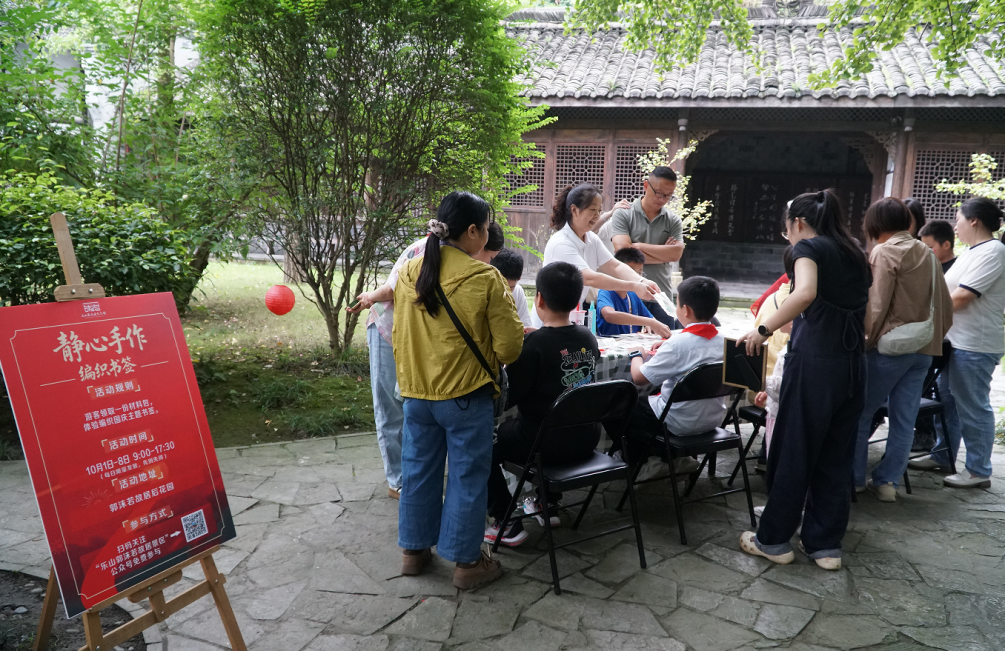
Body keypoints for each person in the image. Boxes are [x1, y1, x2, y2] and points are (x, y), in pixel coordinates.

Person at [391, 191, 524, 589]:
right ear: (472, 232)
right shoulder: (485, 278)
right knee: (467, 476)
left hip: (417, 394)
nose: (486, 233)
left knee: (418, 470)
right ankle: (467, 564)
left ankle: (413, 552)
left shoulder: (409, 272)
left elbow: (400, 334)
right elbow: (510, 348)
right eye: (486, 227)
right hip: (466, 395)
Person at [737, 189, 872, 571]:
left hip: (815, 366)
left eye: (787, 228)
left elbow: (806, 292)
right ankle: (825, 546)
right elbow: (868, 315)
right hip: (853, 366)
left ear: (797, 222)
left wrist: (763, 329)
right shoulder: (855, 252)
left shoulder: (807, 248)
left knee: (794, 452)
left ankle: (774, 540)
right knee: (836, 455)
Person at [348, 223, 507, 499]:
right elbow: (392, 288)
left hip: (417, 337)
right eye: (490, 257)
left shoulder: (465, 261)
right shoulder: (425, 250)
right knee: (390, 408)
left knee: (412, 406)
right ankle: (398, 481)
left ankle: (416, 478)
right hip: (388, 329)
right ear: (475, 236)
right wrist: (370, 297)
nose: (490, 263)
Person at [483, 262, 600, 546]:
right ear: (576, 299)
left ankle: (505, 520)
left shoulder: (533, 345)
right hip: (586, 439)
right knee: (558, 419)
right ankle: (546, 502)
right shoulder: (588, 337)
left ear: (539, 299)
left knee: (480, 447)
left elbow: (508, 398)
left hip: (539, 444)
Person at [851, 198, 953, 502]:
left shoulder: (884, 251)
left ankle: (854, 479)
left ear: (875, 223)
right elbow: (945, 306)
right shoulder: (927, 253)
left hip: (890, 348)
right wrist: (932, 339)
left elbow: (876, 305)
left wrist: (865, 342)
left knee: (860, 413)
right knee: (904, 420)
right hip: (923, 348)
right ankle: (887, 483)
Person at [911, 197, 1005, 489]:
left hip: (975, 344)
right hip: (956, 341)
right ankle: (942, 454)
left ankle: (978, 470)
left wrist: (925, 316)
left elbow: (963, 296)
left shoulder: (993, 251)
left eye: (959, 219)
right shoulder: (972, 252)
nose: (956, 225)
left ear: (974, 221)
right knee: (948, 402)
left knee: (972, 406)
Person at [604, 276, 724, 479]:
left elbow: (639, 378)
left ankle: (640, 462)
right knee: (651, 397)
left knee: (615, 402)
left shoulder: (677, 345)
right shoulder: (725, 341)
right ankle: (673, 458)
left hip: (677, 422)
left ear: (685, 310)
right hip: (712, 419)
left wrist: (636, 354)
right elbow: (696, 343)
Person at [532, 183, 660, 328]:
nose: (597, 215)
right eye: (592, 210)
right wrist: (634, 286)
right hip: (547, 321)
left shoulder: (591, 238)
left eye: (599, 210)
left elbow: (614, 266)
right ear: (574, 210)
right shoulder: (560, 243)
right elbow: (589, 278)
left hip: (571, 318)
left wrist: (642, 281)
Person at [611, 167, 685, 327]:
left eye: (668, 195)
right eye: (659, 193)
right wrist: (662, 255)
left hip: (661, 296)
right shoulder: (624, 213)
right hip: (628, 294)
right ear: (646, 185)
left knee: (666, 339)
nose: (663, 199)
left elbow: (676, 254)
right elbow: (623, 252)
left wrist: (637, 246)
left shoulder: (673, 220)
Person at [596, 248, 673, 337]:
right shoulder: (606, 292)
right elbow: (609, 315)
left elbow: (651, 319)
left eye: (639, 273)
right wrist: (649, 322)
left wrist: (652, 324)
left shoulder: (633, 294)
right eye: (631, 272)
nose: (635, 277)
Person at [490, 249, 534, 330]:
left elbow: (524, 325)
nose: (506, 292)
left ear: (519, 279)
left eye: (511, 288)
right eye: (501, 286)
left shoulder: (518, 292)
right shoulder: (485, 291)